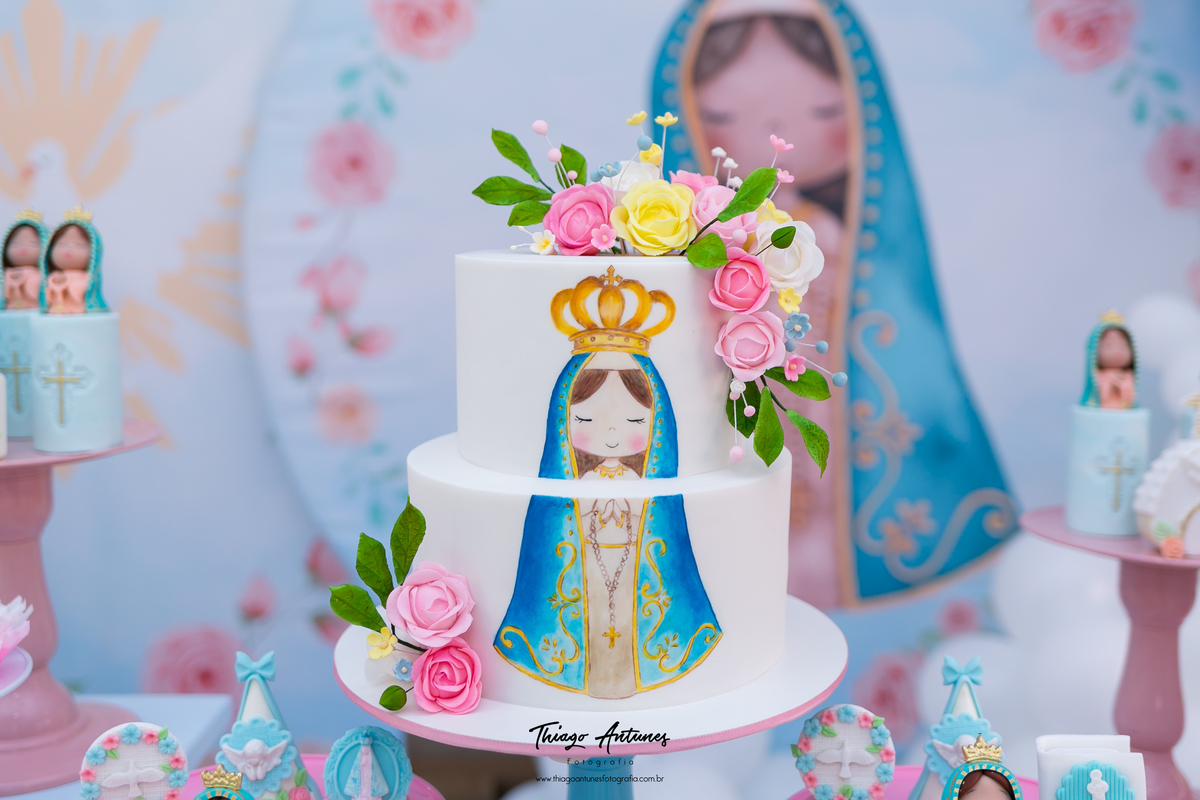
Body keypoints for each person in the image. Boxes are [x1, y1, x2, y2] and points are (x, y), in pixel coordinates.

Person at [652, 0, 1017, 604]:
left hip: (825, 399)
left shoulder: (835, 237)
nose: (775, 128)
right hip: (731, 403)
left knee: (808, 492)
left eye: (823, 110)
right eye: (721, 115)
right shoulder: (708, 242)